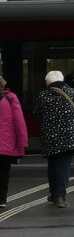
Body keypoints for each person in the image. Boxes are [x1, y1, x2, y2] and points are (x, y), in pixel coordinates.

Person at [32, 70, 74, 208]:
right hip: (70, 137)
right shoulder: (72, 93)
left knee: (53, 166)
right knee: (63, 166)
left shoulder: (43, 96)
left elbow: (36, 114)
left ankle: (54, 194)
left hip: (50, 138)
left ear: (48, 83)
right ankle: (59, 196)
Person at [0, 74, 29, 209]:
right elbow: (19, 123)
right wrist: (22, 144)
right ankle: (2, 200)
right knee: (4, 172)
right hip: (6, 146)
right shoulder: (11, 99)